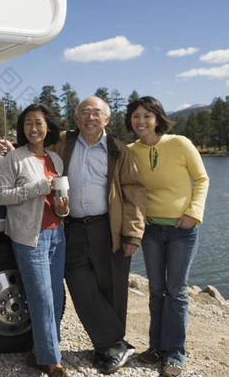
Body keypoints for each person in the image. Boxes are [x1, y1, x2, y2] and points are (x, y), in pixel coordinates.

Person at [51, 96, 147, 374]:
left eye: (96, 113)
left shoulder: (118, 149)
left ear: (106, 119)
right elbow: (37, 149)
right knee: (79, 285)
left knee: (112, 288)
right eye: (84, 113)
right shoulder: (64, 142)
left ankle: (108, 345)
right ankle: (115, 342)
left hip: (109, 227)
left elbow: (135, 193)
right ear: (77, 119)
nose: (90, 118)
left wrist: (132, 233)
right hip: (74, 228)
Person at [125, 96, 209, 377]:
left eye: (147, 116)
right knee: (156, 290)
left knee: (176, 291)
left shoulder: (180, 144)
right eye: (136, 116)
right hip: (150, 230)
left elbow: (201, 179)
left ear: (158, 118)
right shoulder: (130, 151)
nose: (141, 122)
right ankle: (156, 348)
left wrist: (193, 212)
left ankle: (174, 354)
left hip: (181, 230)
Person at [0, 104, 70, 377]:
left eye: (38, 123)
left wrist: (63, 209)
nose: (33, 128)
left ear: (47, 126)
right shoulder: (14, 158)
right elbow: (1, 195)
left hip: (56, 234)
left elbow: (58, 204)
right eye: (28, 123)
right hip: (29, 236)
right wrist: (39, 187)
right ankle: (52, 361)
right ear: (22, 128)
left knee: (56, 295)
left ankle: (40, 351)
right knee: (41, 297)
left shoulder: (56, 159)